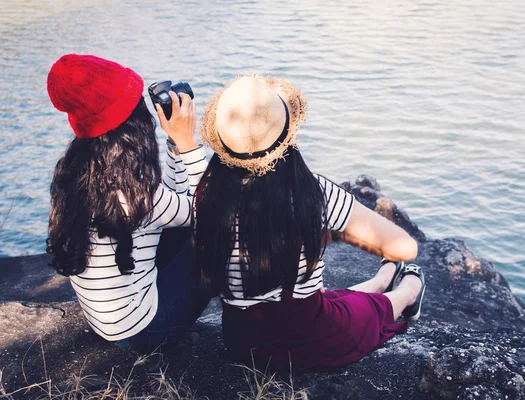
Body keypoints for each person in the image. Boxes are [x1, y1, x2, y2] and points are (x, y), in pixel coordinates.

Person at [194, 74, 426, 371]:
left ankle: (380, 281)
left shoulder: (205, 195)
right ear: (285, 135)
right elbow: (405, 247)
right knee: (368, 310)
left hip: (241, 341)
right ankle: (408, 293)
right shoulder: (310, 192)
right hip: (310, 340)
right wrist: (338, 234)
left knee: (334, 299)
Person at [45, 54, 210, 352]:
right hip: (144, 331)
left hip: (106, 323)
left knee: (181, 225)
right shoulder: (137, 192)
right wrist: (187, 143)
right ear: (132, 119)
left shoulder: (76, 171)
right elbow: (213, 210)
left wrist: (173, 147)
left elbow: (171, 206)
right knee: (219, 237)